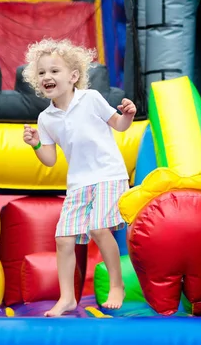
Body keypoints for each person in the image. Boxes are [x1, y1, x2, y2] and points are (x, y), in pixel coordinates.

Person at [21, 38, 137, 317]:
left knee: (98, 228)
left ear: (73, 77)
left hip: (109, 174)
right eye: (41, 73)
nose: (47, 77)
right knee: (63, 239)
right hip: (78, 183)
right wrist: (36, 144)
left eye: (54, 71)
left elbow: (119, 126)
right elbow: (50, 160)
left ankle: (117, 284)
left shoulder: (91, 99)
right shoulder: (46, 118)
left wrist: (129, 115)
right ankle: (67, 299)